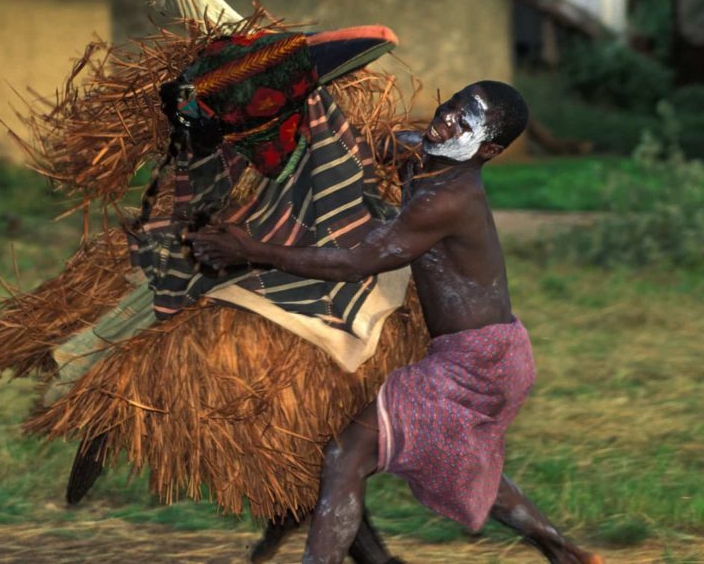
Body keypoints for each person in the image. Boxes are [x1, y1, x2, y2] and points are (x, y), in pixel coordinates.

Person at [189, 81, 602, 564]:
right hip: (492, 353)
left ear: (487, 149)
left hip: (477, 363)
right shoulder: (422, 155)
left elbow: (357, 263)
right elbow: (343, 148)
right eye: (452, 104)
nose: (448, 117)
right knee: (462, 464)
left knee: (347, 455)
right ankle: (568, 554)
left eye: (466, 119)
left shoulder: (449, 198)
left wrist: (250, 251)